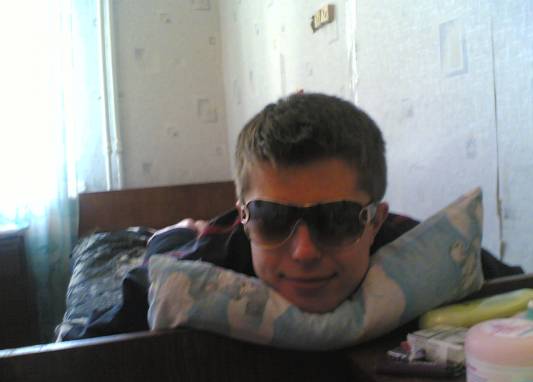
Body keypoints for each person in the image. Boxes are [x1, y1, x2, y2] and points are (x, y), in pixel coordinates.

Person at [64, 93, 521, 340]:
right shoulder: (200, 263)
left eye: (338, 219)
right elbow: (77, 354)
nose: (303, 252)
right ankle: (174, 230)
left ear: (375, 222)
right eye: (271, 217)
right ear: (244, 217)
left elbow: (517, 290)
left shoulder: (415, 246)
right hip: (190, 240)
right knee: (167, 243)